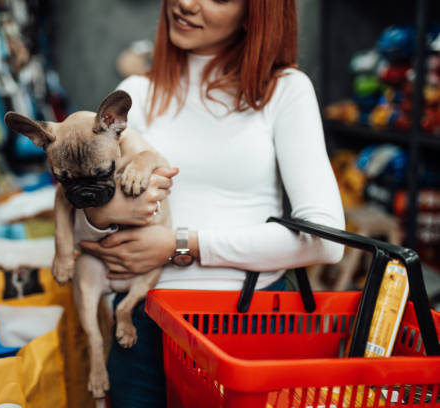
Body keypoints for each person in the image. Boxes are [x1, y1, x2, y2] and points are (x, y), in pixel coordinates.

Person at [77, 0, 345, 406]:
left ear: (257, 11)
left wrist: (179, 244)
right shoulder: (136, 94)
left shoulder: (284, 90)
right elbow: (81, 234)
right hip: (142, 325)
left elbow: (326, 240)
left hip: (249, 326)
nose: (187, 2)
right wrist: (103, 217)